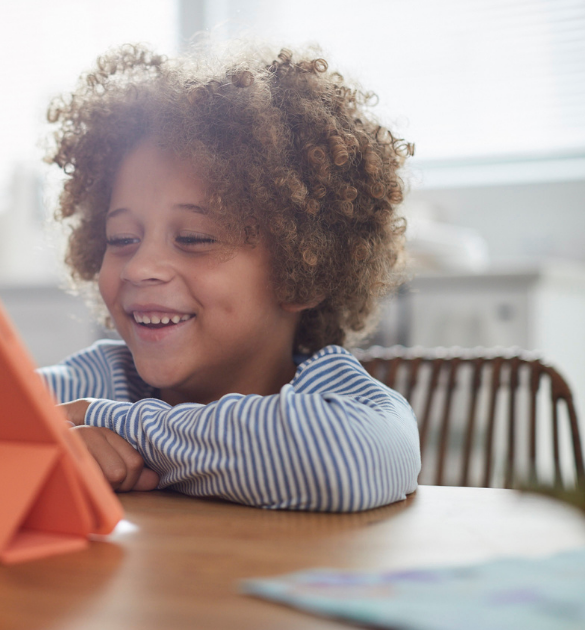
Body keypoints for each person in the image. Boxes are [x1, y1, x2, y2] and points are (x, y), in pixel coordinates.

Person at [37, 44, 421, 513]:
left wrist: (117, 427)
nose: (138, 268)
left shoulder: (335, 394)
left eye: (195, 238)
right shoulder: (103, 377)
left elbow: (344, 460)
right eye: (120, 239)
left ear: (302, 274)